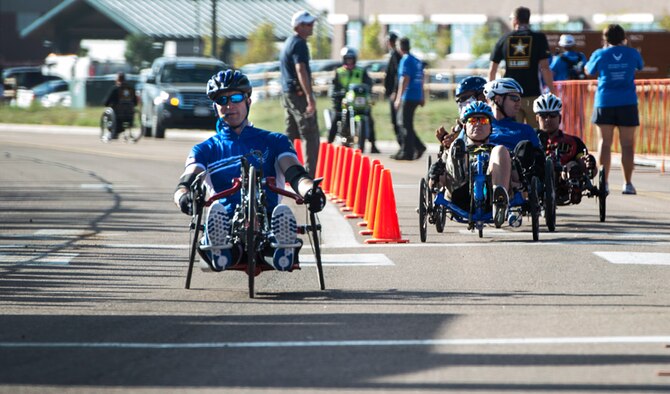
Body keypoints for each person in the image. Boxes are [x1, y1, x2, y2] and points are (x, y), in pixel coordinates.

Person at [173, 70, 326, 272]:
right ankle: (221, 251)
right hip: (225, 222)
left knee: (273, 228)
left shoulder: (275, 141)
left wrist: (310, 191)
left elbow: (295, 174)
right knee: (220, 221)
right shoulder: (205, 149)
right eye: (222, 100)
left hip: (268, 220)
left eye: (235, 98)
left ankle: (281, 248)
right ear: (215, 106)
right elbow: (186, 182)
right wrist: (184, 198)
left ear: (248, 101)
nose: (229, 105)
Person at [430, 101, 512, 227]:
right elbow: (436, 181)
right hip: (459, 194)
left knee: (501, 149)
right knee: (457, 147)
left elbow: (518, 181)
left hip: (490, 195)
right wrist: (434, 179)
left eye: (483, 121)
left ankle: (500, 201)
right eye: (473, 121)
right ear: (464, 127)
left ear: (491, 127)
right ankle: (463, 171)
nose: (478, 124)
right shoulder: (454, 150)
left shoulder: (496, 151)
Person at [585, 24, 644, 195]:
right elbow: (640, 65)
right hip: (627, 102)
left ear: (605, 38)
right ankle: (628, 183)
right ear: (623, 37)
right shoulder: (631, 52)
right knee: (627, 145)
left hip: (605, 101)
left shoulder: (600, 53)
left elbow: (588, 70)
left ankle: (605, 182)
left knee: (604, 143)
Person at [489, 6, 555, 128]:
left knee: (513, 133)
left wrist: (491, 95)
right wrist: (552, 91)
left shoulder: (504, 39)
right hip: (533, 95)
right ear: (528, 20)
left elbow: (492, 70)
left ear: (515, 20)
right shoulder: (538, 38)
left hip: (509, 97)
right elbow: (545, 68)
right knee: (535, 135)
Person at [533, 93, 597, 204]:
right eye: (543, 116)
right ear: (537, 118)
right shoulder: (530, 140)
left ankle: (574, 188)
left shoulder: (573, 141)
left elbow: (584, 162)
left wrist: (588, 163)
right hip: (538, 178)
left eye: (552, 115)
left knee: (572, 166)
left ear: (560, 118)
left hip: (564, 178)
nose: (548, 119)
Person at [279, 10, 320, 178]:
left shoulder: (288, 42)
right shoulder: (299, 44)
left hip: (288, 94)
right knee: (310, 133)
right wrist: (309, 97)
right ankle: (308, 177)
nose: (312, 27)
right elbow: (300, 69)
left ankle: (284, 172)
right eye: (308, 24)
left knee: (291, 134)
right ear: (299, 26)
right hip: (297, 95)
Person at [327, 47, 379, 153]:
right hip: (343, 101)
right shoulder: (339, 72)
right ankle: (329, 143)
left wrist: (369, 91)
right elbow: (333, 86)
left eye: (351, 59)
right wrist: (335, 93)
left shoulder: (361, 71)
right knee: (336, 117)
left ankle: (373, 144)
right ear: (344, 60)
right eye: (347, 59)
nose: (349, 61)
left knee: (369, 119)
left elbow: (368, 83)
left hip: (358, 101)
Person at [393, 37, 426, 161]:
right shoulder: (416, 60)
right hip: (417, 95)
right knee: (407, 124)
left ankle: (409, 151)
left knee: (403, 123)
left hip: (409, 95)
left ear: (399, 47)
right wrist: (422, 96)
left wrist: (398, 98)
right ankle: (414, 147)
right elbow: (422, 78)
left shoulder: (405, 60)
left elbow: (404, 79)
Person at [102, 72, 137, 140]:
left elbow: (106, 102)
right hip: (129, 115)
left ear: (117, 79)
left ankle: (112, 132)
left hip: (117, 115)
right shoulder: (131, 89)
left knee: (108, 111)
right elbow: (135, 103)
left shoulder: (115, 89)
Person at [383, 31, 403, 147]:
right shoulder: (393, 54)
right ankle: (402, 145)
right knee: (395, 121)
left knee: (397, 121)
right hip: (392, 92)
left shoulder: (396, 55)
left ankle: (403, 145)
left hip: (395, 94)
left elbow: (397, 75)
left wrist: (395, 92)